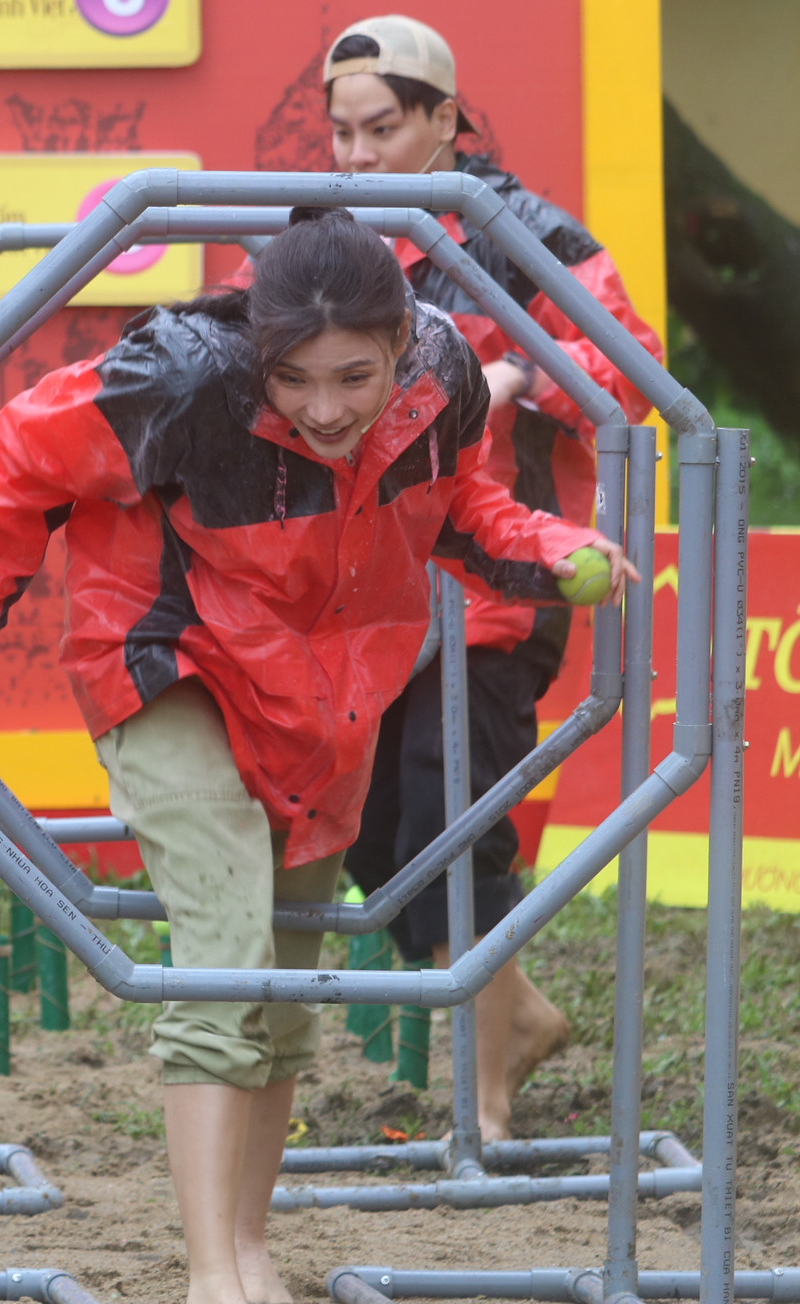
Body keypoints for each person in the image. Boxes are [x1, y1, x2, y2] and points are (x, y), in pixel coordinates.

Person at [0, 210, 634, 1304]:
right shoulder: (182, 376)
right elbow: (20, 452)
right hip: (169, 658)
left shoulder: (446, 378)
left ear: (403, 344)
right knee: (222, 941)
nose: (325, 408)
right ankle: (211, 1275)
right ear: (258, 345)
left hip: (326, 691)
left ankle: (249, 1250)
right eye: (293, 378)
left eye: (354, 377)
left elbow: (459, 510)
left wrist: (549, 547)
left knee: (287, 981)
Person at [321, 14, 664, 1140]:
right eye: (341, 133)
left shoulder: (528, 232)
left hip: (500, 576)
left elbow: (632, 364)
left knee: (451, 811)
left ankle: (486, 1097)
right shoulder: (322, 235)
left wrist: (516, 367)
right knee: (373, 830)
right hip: (367, 590)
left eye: (381, 129)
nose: (358, 155)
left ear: (444, 121)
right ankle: (513, 1017)